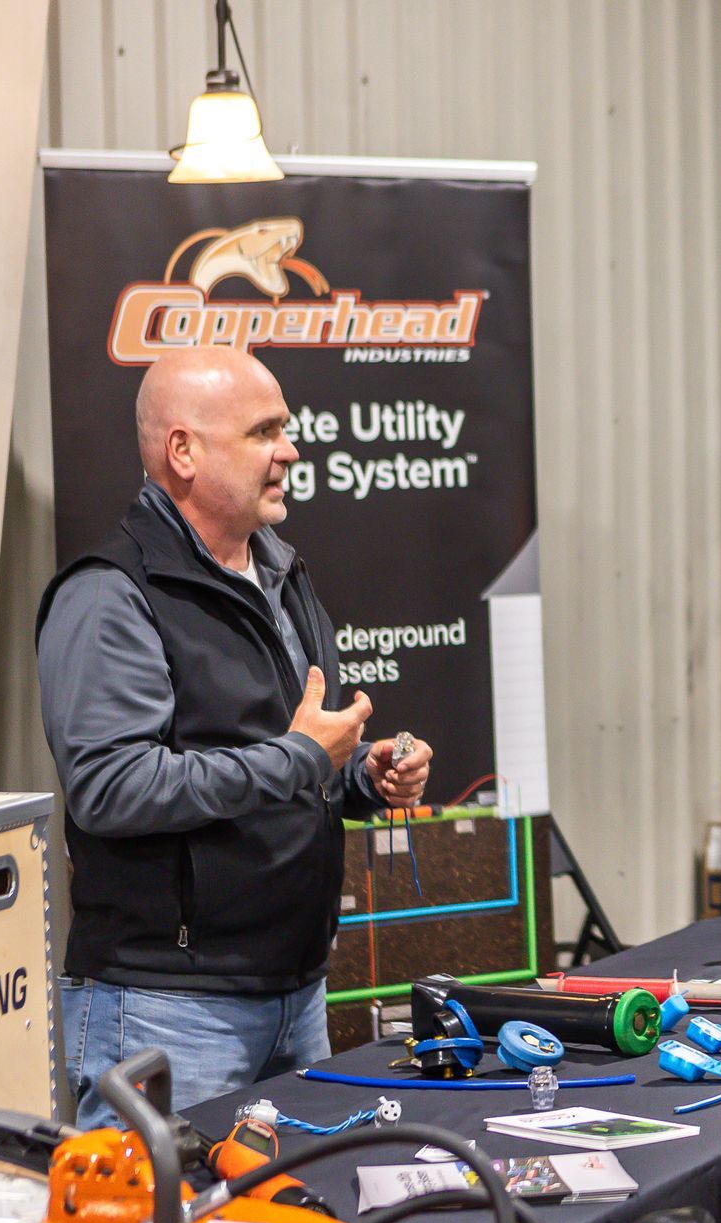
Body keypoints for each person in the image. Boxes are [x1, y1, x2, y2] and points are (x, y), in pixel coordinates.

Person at [39, 347, 432, 1127]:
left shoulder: (280, 572)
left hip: (296, 995)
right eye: (264, 432)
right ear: (182, 451)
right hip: (164, 1011)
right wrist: (297, 758)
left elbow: (281, 756)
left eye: (283, 429)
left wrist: (361, 776)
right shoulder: (110, 594)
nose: (290, 450)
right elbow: (110, 787)